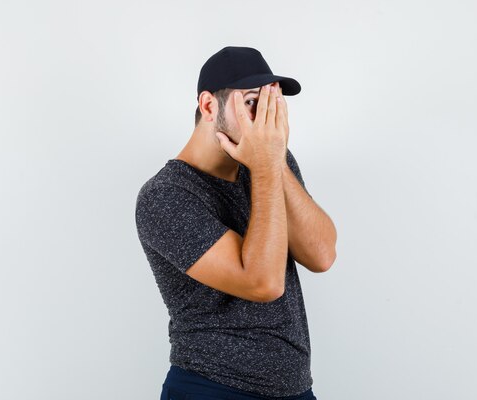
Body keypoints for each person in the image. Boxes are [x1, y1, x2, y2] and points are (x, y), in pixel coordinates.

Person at [135, 46, 337, 400]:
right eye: (251, 102)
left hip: (293, 390)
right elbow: (262, 283)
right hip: (211, 387)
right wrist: (266, 164)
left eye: (271, 103)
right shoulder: (165, 195)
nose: (264, 119)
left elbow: (322, 255)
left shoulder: (269, 162)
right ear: (209, 106)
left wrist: (272, 162)